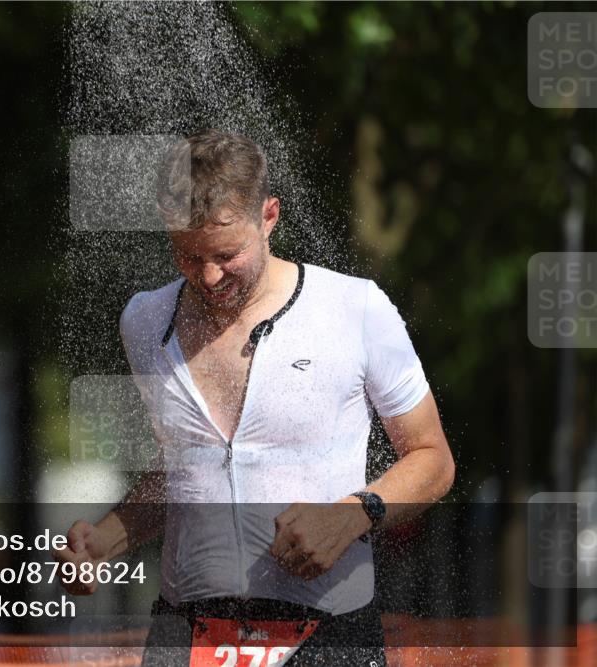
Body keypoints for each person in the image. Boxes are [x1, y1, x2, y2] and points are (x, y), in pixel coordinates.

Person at [53, 129, 455, 665]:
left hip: (327, 634)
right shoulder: (145, 320)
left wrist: (352, 515)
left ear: (269, 216)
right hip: (184, 632)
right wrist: (106, 540)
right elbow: (182, 471)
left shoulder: (355, 308)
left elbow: (433, 459)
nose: (210, 276)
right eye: (188, 257)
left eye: (227, 254)